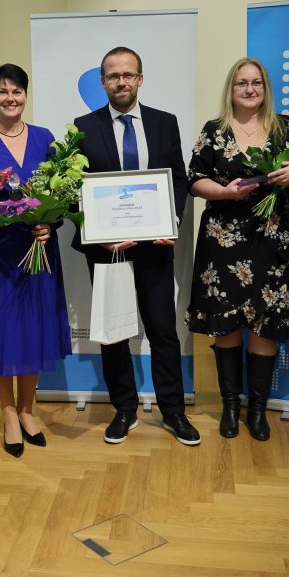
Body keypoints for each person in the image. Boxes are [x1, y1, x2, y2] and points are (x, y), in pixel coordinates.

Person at [187, 57, 289, 441]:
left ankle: (257, 410)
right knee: (225, 323)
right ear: (231, 88)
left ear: (265, 88)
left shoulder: (288, 129)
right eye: (241, 83)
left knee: (266, 323)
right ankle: (230, 407)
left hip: (272, 241)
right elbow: (194, 179)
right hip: (222, 240)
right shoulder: (214, 130)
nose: (249, 89)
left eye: (256, 82)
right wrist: (224, 192)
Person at [72, 46, 196, 446]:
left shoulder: (164, 122)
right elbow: (75, 189)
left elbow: (178, 178)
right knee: (114, 331)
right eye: (113, 76)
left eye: (128, 75)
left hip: (154, 245)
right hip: (107, 249)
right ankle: (123, 409)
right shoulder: (83, 127)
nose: (121, 82)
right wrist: (99, 232)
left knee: (163, 331)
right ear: (103, 82)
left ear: (140, 79)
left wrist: (171, 220)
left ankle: (173, 412)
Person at [0, 64, 71, 458]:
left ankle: (27, 410)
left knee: (33, 329)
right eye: (3, 91)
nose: (11, 98)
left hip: (37, 250)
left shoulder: (45, 138)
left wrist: (50, 222)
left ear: (26, 95)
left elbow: (61, 192)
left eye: (17, 91)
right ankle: (8, 413)